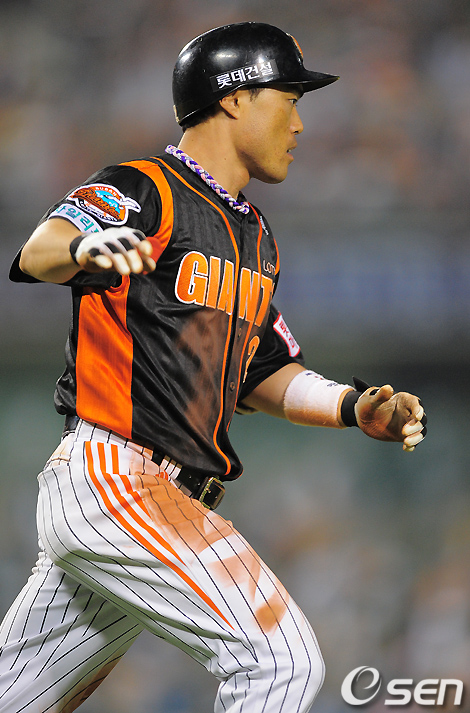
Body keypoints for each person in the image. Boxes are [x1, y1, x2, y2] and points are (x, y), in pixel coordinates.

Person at [1, 22, 426, 713]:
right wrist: (86, 249)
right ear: (235, 98)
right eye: (289, 99)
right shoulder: (146, 185)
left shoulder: (256, 237)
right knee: (282, 660)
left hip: (150, 501)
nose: (299, 123)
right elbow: (40, 249)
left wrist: (353, 407)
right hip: (115, 479)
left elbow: (262, 371)